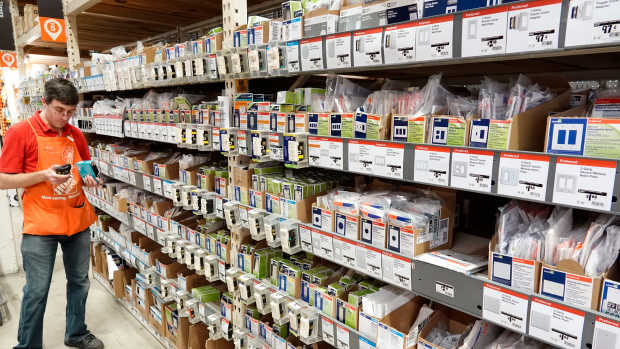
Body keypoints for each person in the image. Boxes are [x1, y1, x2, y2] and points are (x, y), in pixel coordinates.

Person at [0, 78, 104, 349]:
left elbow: (83, 166)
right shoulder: (21, 132)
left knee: (80, 282)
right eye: (59, 110)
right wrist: (42, 176)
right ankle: (28, 346)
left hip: (77, 220)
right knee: (36, 290)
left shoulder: (74, 133)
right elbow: (3, 180)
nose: (65, 117)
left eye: (70, 111)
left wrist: (90, 176)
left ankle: (76, 333)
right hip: (41, 224)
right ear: (44, 103)